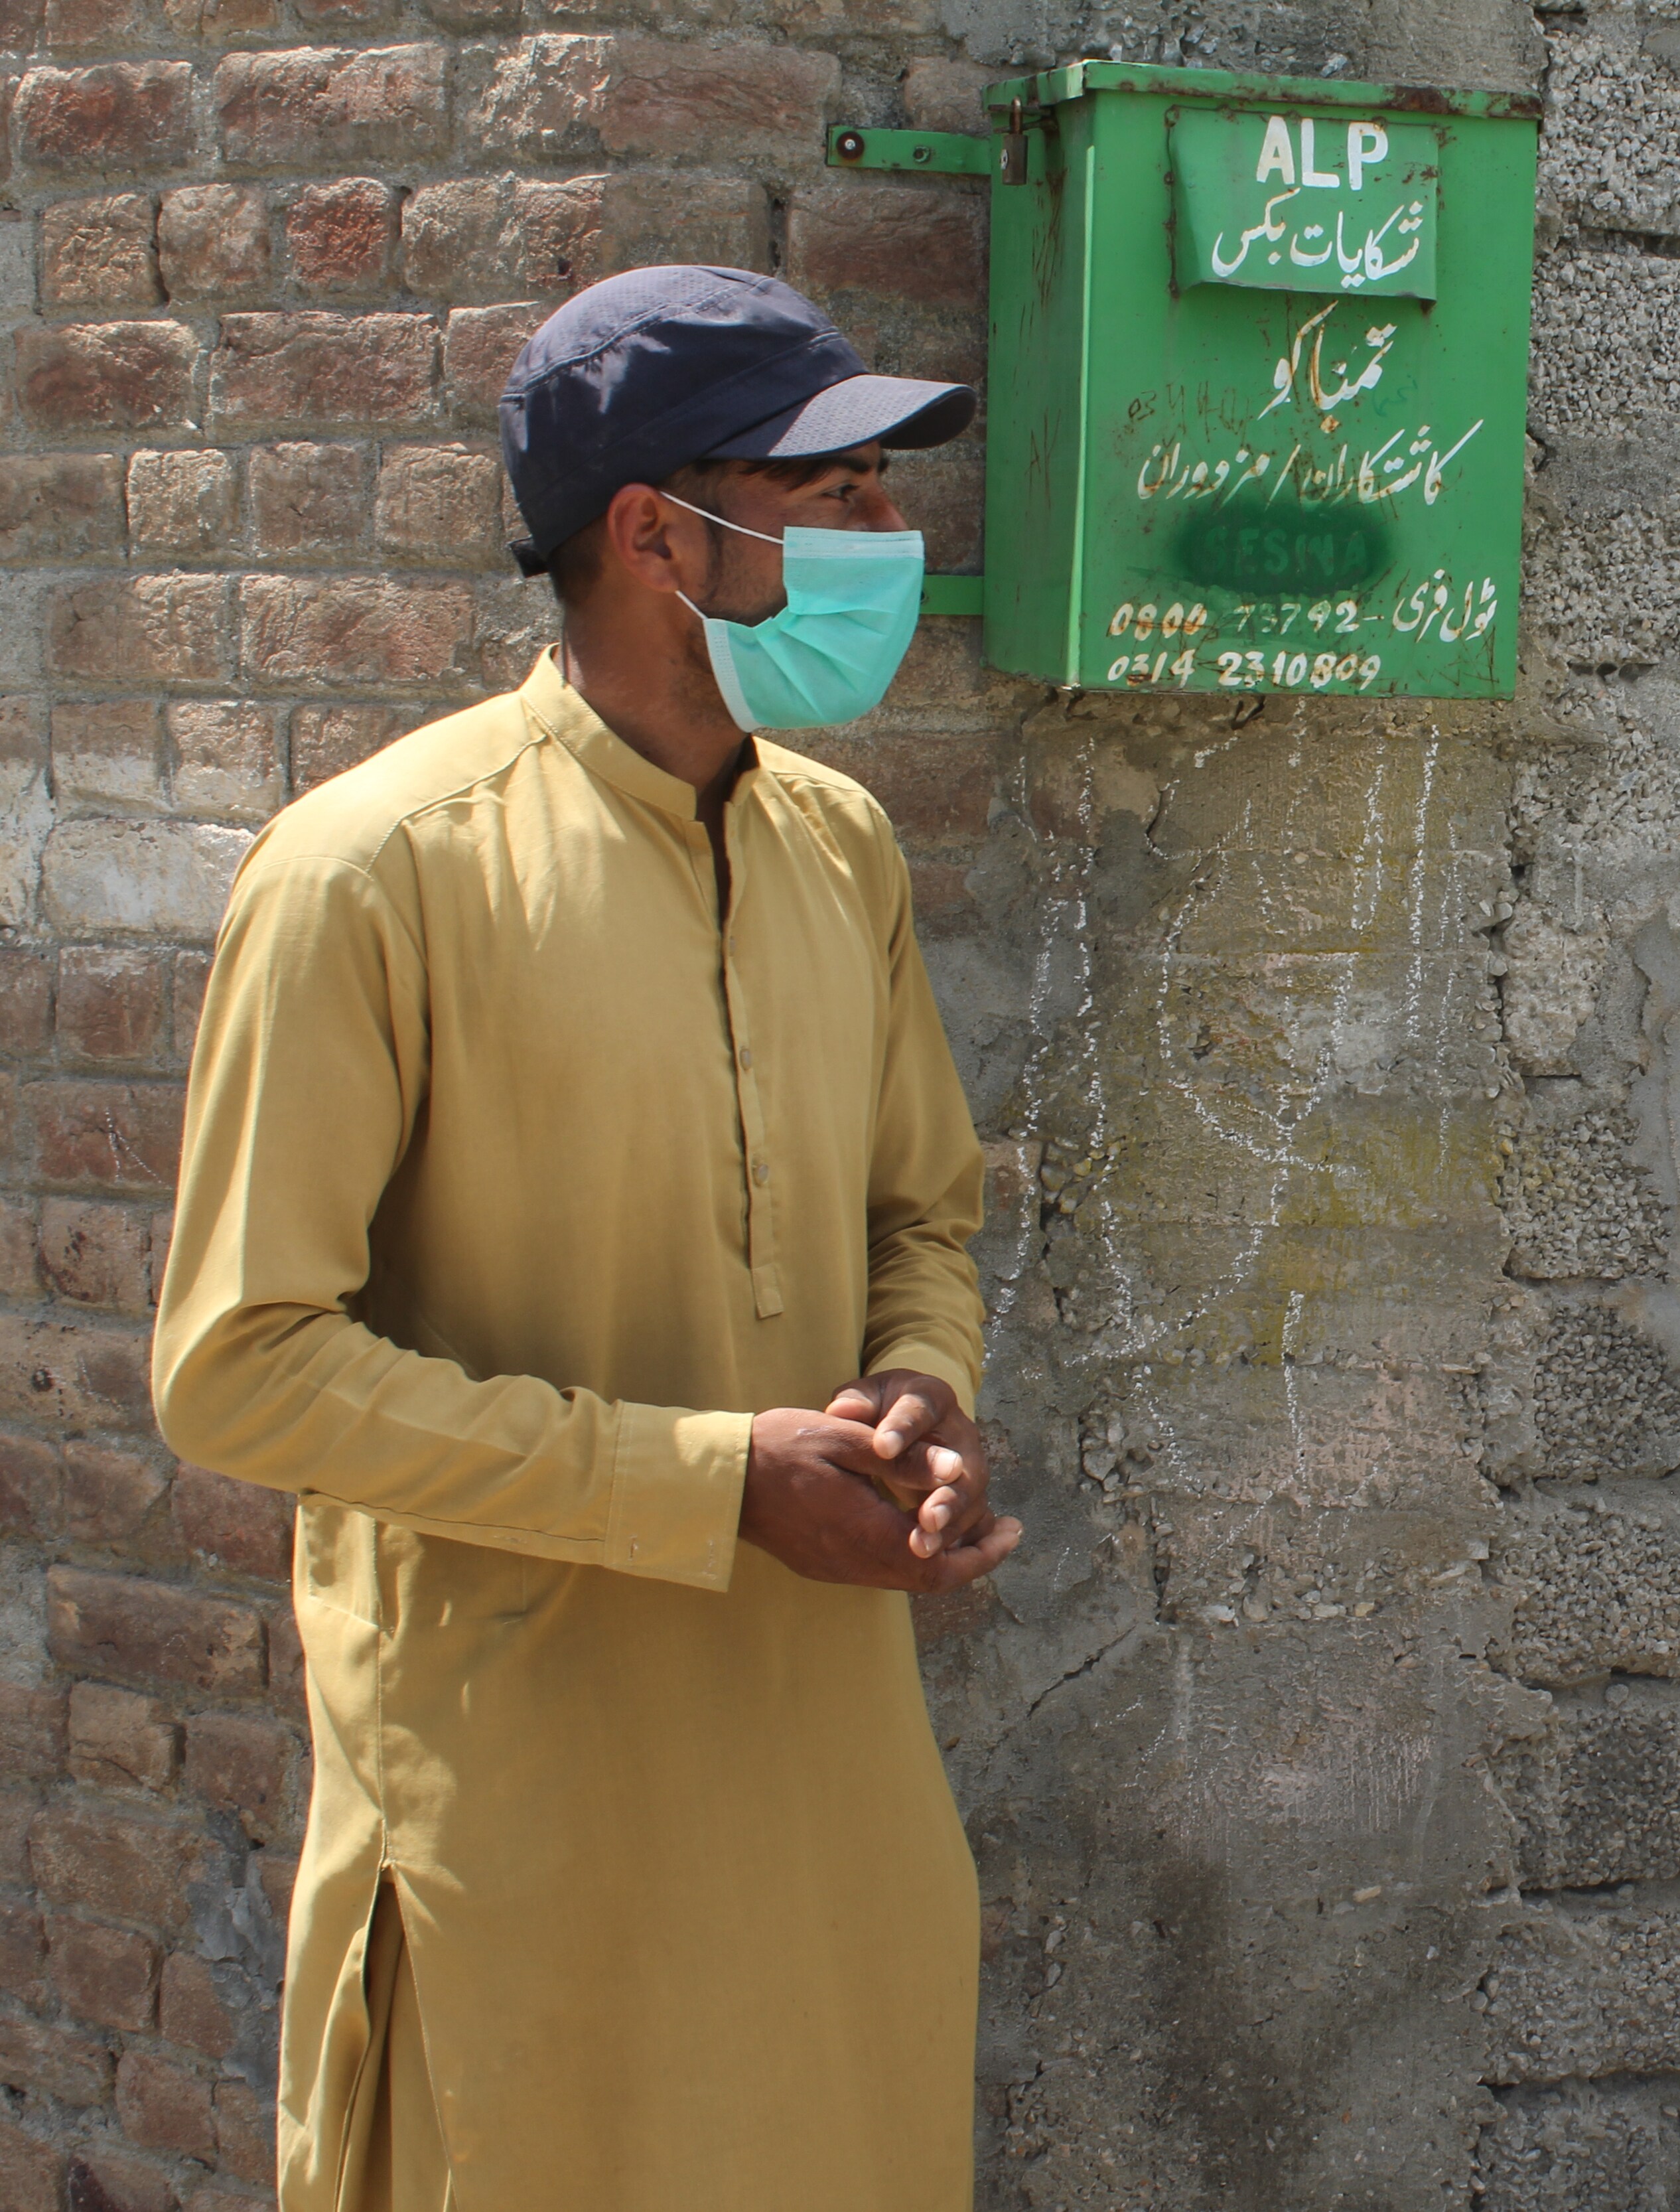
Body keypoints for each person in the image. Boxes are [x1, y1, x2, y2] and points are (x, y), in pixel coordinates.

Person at [151, 265, 1025, 2211]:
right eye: (838, 498)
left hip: (826, 1781)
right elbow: (237, 1365)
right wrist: (707, 1482)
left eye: (890, 493)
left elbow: (922, 1212)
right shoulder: (373, 872)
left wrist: (920, 1395)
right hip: (525, 1811)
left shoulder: (839, 846)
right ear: (653, 533)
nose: (895, 541)